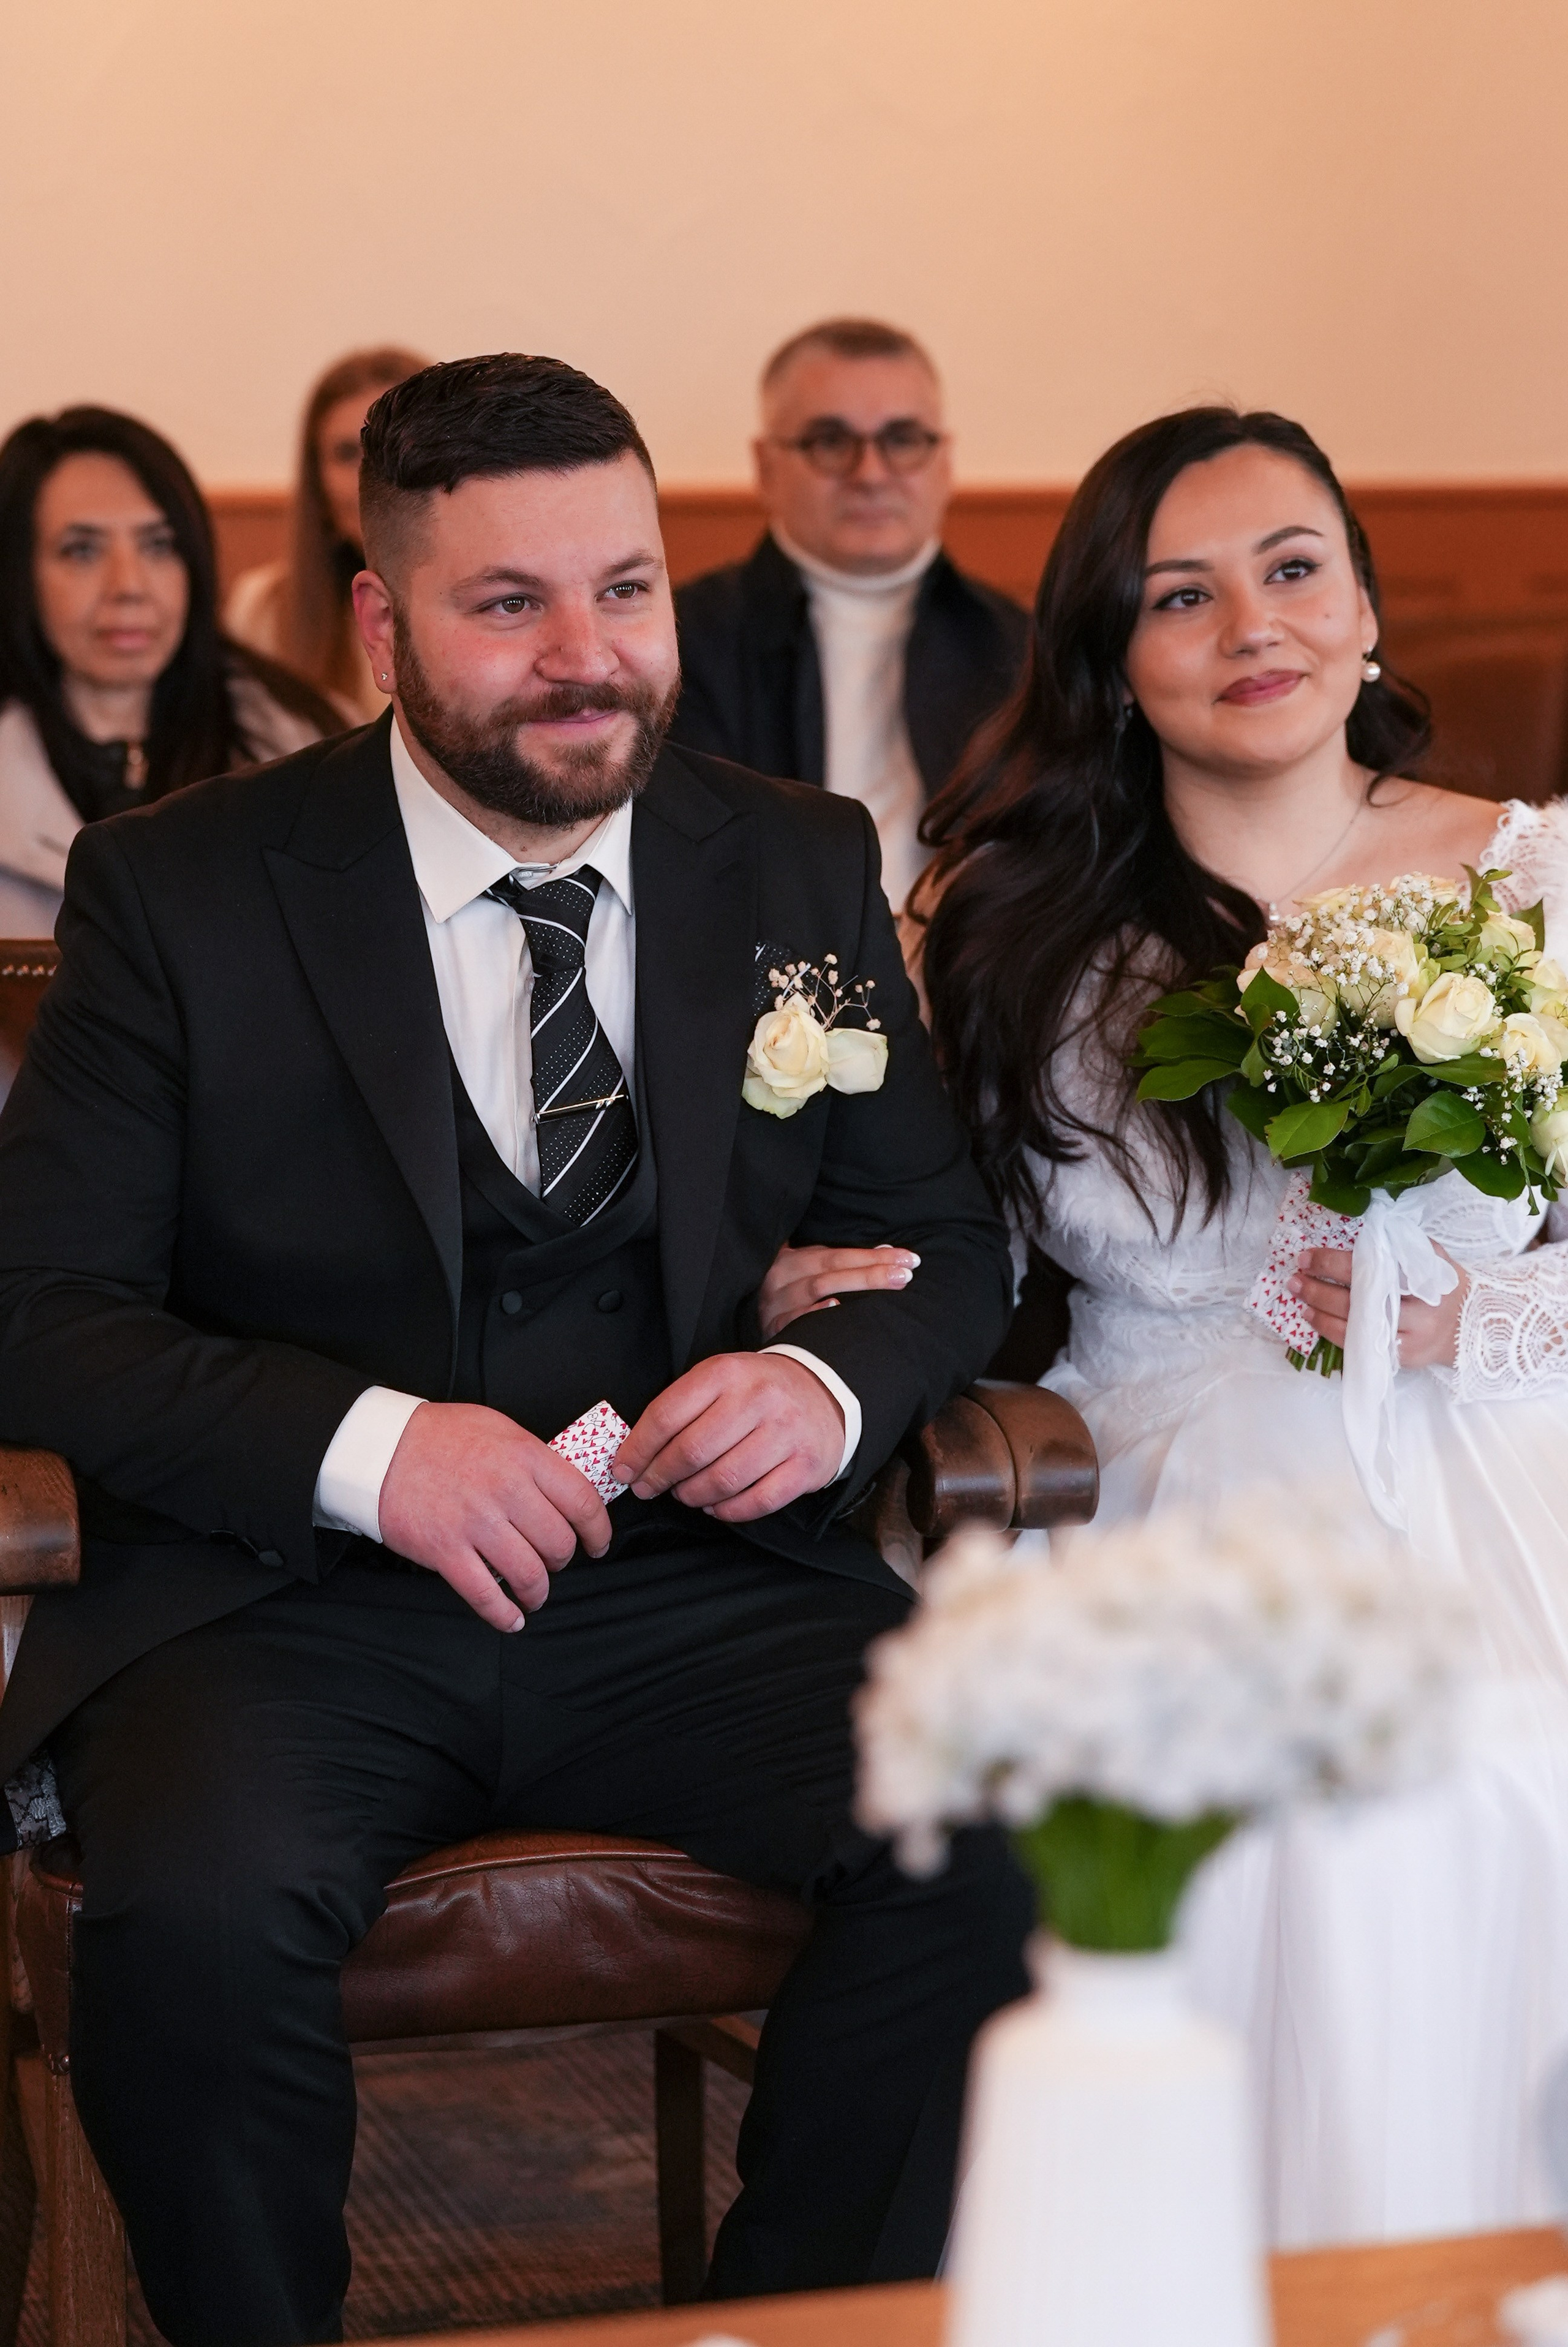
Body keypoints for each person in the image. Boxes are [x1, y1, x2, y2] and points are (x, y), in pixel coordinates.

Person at [0, 352, 1027, 2347]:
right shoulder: (183, 891)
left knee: (999, 1830)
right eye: (510, 604)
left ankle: (779, 2327)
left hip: (697, 1590)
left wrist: (822, 1390)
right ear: (380, 622)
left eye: (626, 589)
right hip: (284, 1609)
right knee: (198, 1930)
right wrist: (376, 1446)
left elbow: (946, 1240)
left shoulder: (795, 861)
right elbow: (37, 1317)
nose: (591, 660)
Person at [782, 407, 1568, 2246]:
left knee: (1511, 1761)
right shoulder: (1007, 920)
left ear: (1367, 606)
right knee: (1318, 1803)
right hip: (1155, 1465)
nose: (1251, 627)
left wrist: (1488, 1310)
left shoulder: (1528, 871)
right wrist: (816, 1268)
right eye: (1179, 595)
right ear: (1111, 663)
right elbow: (935, 1225)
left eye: (1293, 569)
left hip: (1493, 1436)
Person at [669, 318, 1027, 913]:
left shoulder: (1021, 647)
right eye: (830, 441)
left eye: (903, 439)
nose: (869, 473)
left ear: (944, 463)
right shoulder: (681, 640)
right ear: (765, 467)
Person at [0, 408, 337, 937]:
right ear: (19, 574)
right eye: (82, 550)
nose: (129, 585)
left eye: (159, 545)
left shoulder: (310, 740)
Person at [226, 345, 429, 723]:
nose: (370, 476)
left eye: (393, 448)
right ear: (317, 478)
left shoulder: (497, 599)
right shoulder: (261, 611)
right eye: (346, 453)